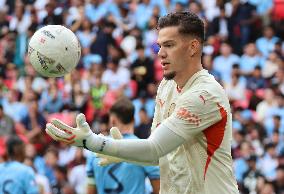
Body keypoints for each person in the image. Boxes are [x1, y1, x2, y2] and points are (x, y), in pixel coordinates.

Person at [46, 11, 239, 194]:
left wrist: (94, 142)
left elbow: (154, 149)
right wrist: (123, 153)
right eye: (159, 46)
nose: (160, 53)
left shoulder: (204, 95)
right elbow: (160, 155)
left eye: (169, 45)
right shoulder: (166, 86)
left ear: (193, 47)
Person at [86, 98, 160, 194]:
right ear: (133, 120)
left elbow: (90, 191)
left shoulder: (95, 151)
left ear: (112, 120)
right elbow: (159, 189)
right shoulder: (144, 149)